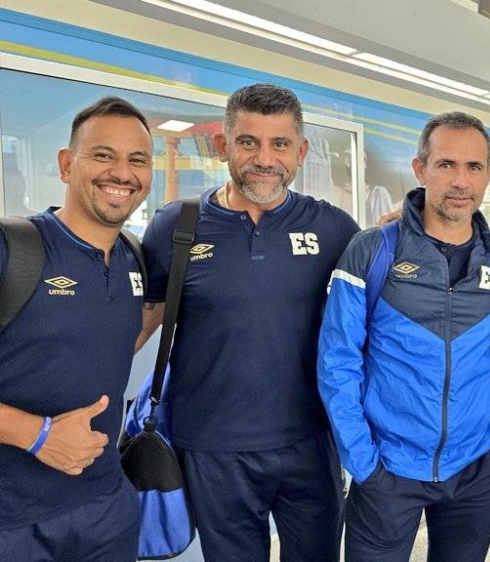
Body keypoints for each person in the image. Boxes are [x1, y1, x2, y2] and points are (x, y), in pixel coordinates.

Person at [138, 83, 360, 562]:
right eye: (248, 142)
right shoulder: (176, 228)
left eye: (279, 144)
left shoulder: (336, 229)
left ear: (299, 152)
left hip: (312, 442)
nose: (264, 158)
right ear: (223, 147)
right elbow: (141, 320)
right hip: (214, 449)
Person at [318, 111, 490, 562]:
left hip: (476, 466)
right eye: (446, 165)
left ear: (488, 176)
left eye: (474, 167)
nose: (460, 181)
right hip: (387, 470)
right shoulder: (373, 250)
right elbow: (338, 361)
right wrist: (364, 463)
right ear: (421, 169)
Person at [0, 97, 153, 561]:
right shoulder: (13, 250)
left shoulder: (135, 257)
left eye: (137, 160)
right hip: (12, 522)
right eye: (102, 155)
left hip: (105, 509)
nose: (121, 173)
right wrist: (36, 434)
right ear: (67, 165)